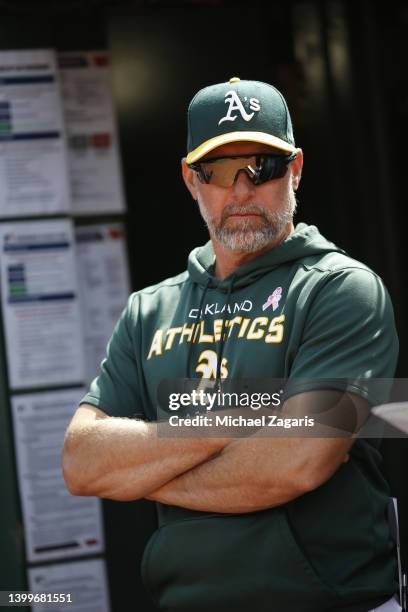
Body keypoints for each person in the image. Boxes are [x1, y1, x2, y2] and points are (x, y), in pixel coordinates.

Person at [62, 77, 401, 612]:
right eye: (217, 172)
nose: (241, 191)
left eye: (261, 167)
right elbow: (82, 463)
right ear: (190, 181)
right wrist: (247, 417)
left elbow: (300, 460)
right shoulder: (149, 309)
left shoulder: (339, 288)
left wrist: (145, 474)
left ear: (295, 170)